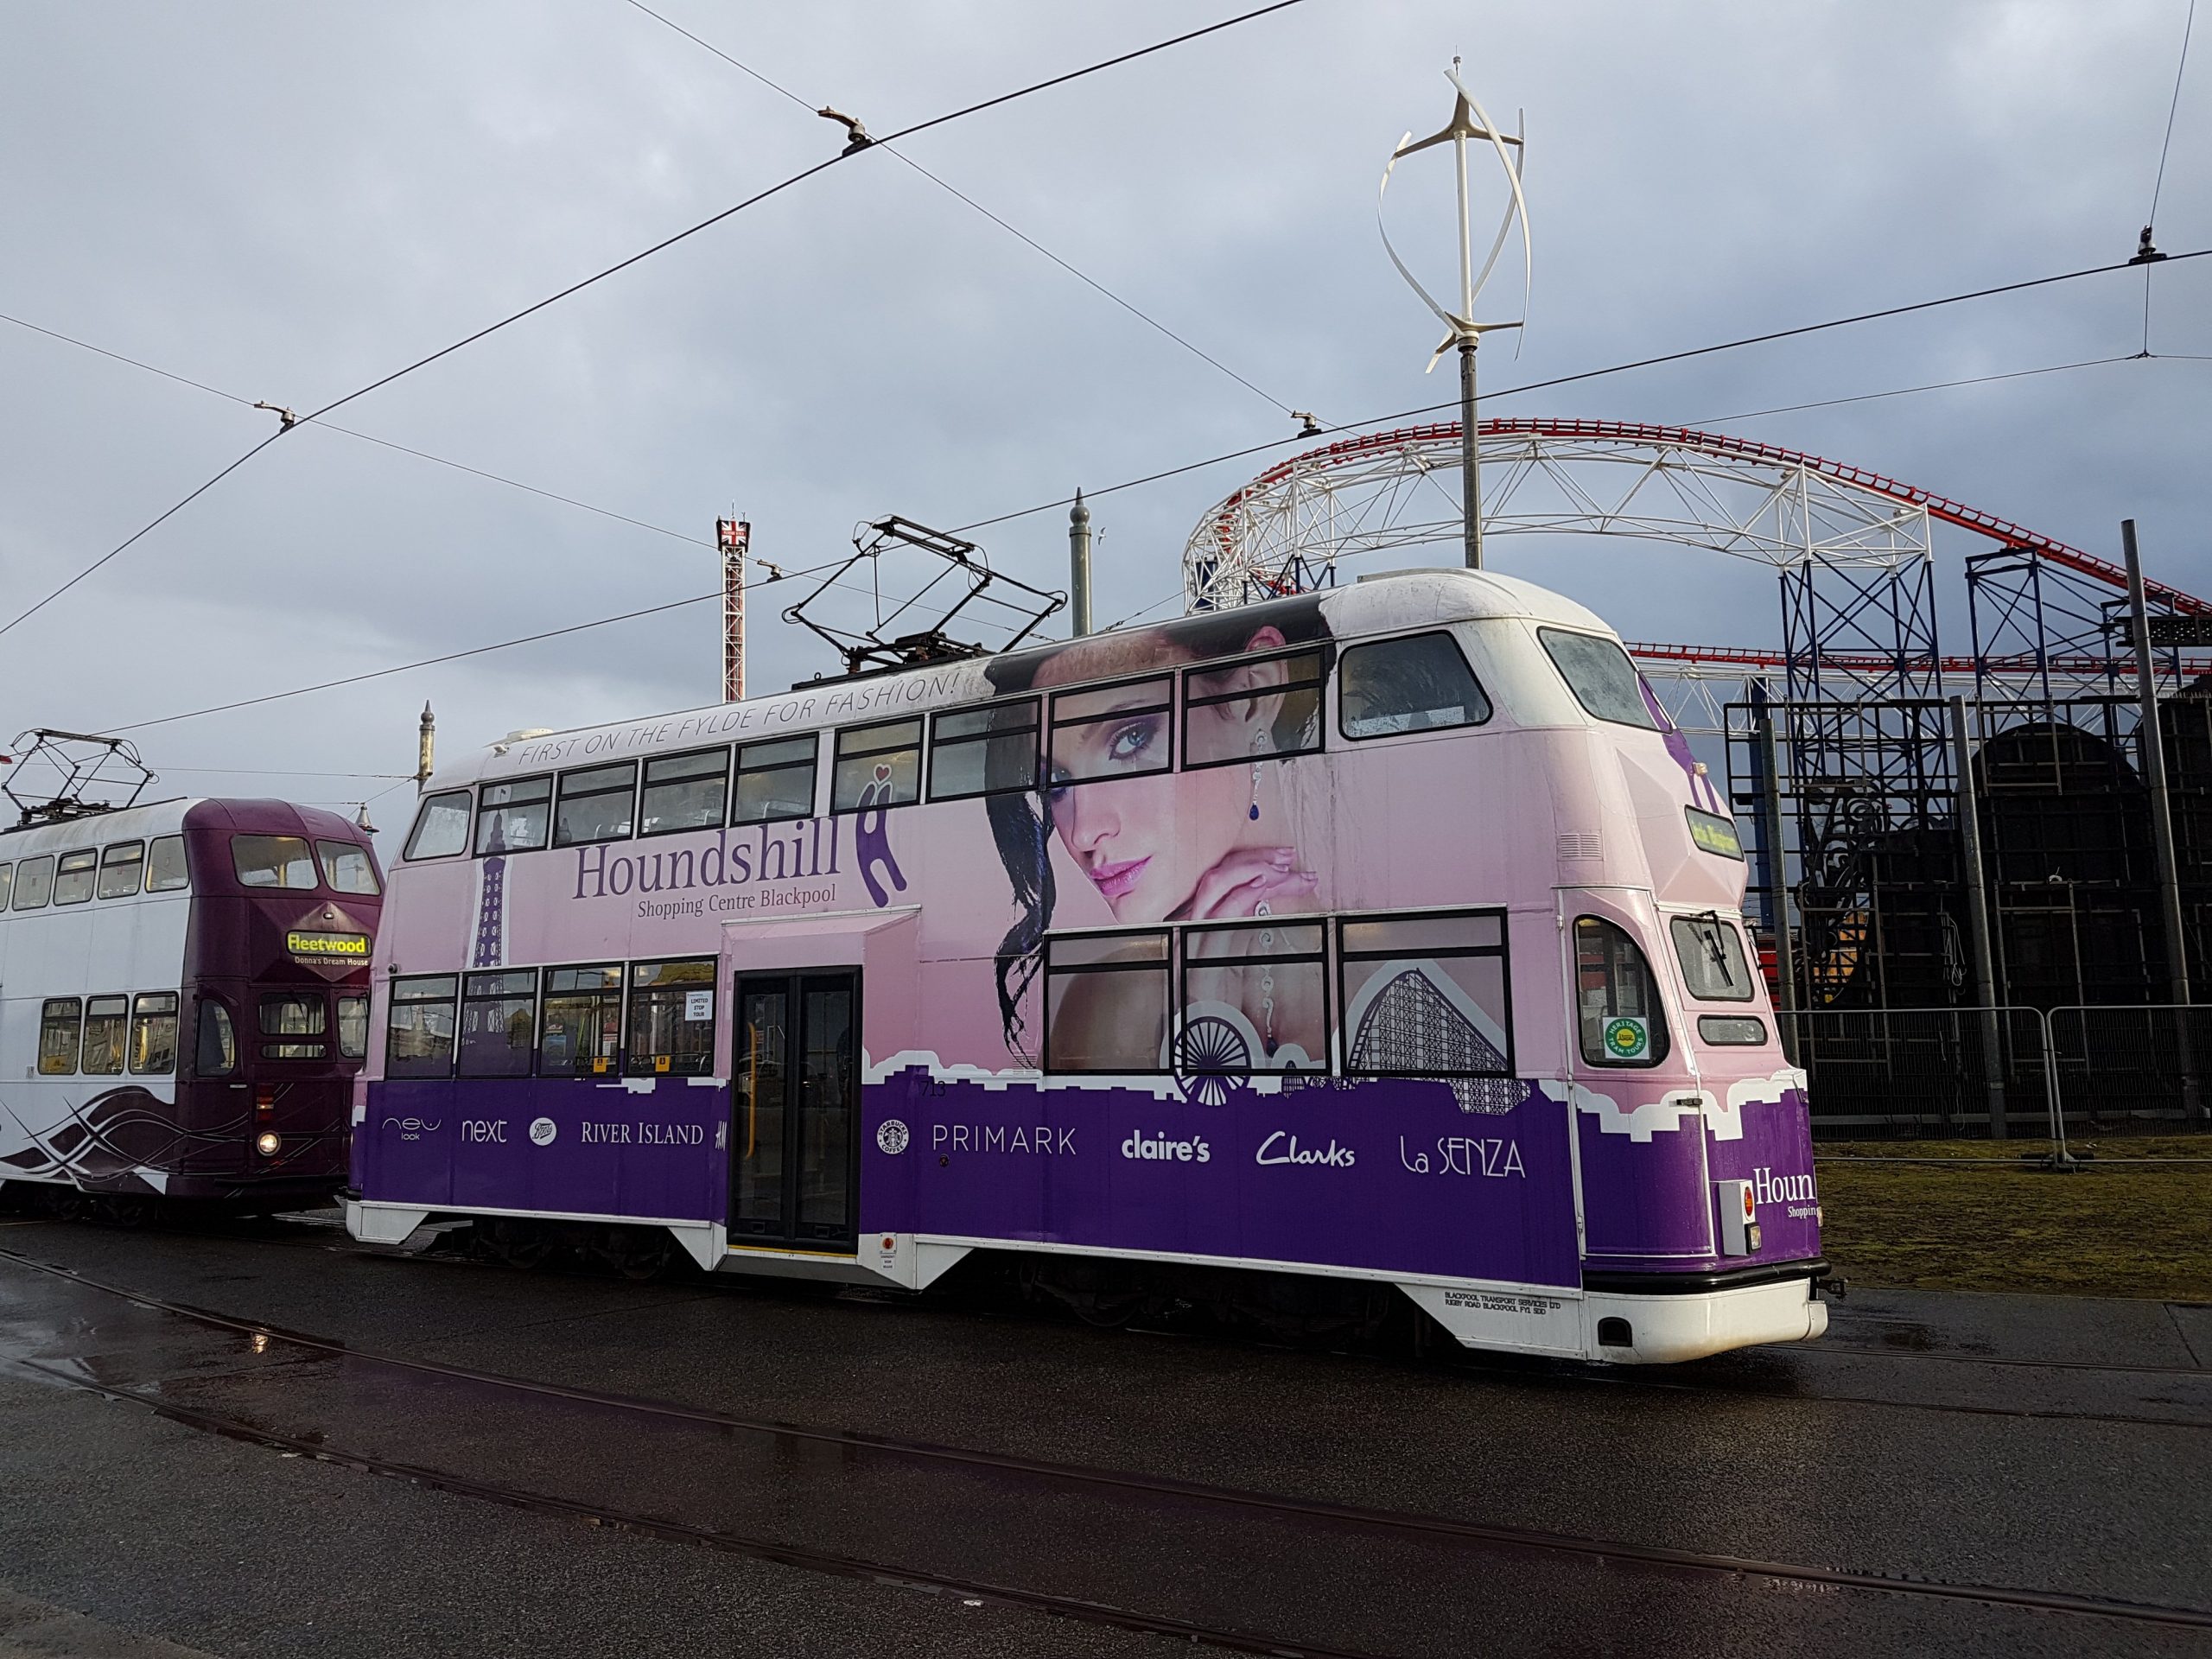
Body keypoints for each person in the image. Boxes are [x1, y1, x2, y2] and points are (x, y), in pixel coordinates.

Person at [983, 597, 1331, 1069]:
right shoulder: (1114, 999)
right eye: (1058, 785)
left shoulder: (1395, 970)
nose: (1083, 832)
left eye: (1130, 740)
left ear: (1253, 693)